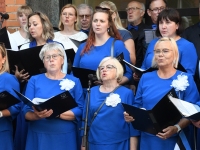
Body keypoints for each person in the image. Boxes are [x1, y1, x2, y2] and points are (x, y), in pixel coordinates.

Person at [124, 37, 199, 150]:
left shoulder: (186, 78)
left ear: (174, 54)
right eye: (157, 51)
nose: (160, 54)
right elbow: (137, 104)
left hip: (176, 139)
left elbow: (194, 111)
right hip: (148, 139)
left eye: (165, 51)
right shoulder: (146, 77)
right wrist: (130, 115)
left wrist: (177, 127)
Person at [22, 42, 84, 150]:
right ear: (43, 62)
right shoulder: (34, 80)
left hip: (65, 136)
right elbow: (26, 111)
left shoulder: (74, 81)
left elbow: (80, 110)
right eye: (47, 57)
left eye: (54, 56)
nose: (51, 60)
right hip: (39, 134)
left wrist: (57, 113)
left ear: (62, 60)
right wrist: (38, 115)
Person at [81, 57, 139, 150]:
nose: (104, 69)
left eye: (109, 67)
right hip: (94, 143)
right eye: (101, 68)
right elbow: (85, 120)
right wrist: (83, 145)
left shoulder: (127, 93)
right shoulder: (91, 91)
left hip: (119, 144)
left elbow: (133, 125)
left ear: (118, 71)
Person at [73, 6, 132, 85]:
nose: (98, 24)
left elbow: (128, 74)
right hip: (85, 93)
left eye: (102, 21)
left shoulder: (117, 45)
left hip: (108, 93)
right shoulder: (82, 46)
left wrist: (110, 85)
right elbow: (73, 73)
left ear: (108, 24)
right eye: (95, 21)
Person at [141, 8, 197, 76]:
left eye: (168, 22)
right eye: (161, 23)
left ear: (177, 25)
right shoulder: (153, 43)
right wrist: (139, 74)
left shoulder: (187, 46)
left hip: (173, 85)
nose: (163, 27)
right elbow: (144, 66)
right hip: (149, 84)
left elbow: (188, 75)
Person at [0, 43, 20, 150]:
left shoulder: (9, 79)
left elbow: (17, 107)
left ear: (3, 59)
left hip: (2, 130)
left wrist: (1, 113)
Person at [126, 1, 151, 67]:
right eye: (128, 9)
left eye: (133, 9)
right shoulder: (122, 32)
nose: (130, 12)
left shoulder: (148, 31)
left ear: (142, 13)